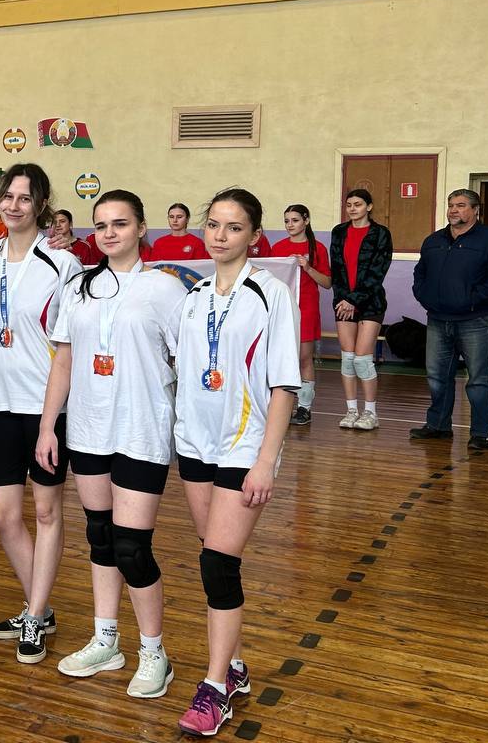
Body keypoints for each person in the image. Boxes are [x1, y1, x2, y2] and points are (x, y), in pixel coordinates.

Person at [36, 190, 187, 699]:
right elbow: (63, 360)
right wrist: (47, 426)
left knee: (132, 547)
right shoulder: (78, 287)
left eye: (120, 223)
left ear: (141, 227)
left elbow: (186, 359)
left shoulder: (165, 289)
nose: (109, 233)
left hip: (141, 430)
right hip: (88, 428)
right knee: (100, 537)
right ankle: (106, 640)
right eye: (100, 225)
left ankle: (154, 652)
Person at [172, 188, 300, 738]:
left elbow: (284, 384)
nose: (220, 235)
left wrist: (266, 461)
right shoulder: (194, 295)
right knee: (213, 559)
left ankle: (214, 687)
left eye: (234, 227)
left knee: (218, 566)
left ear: (254, 236)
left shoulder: (271, 293)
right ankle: (236, 666)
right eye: (214, 225)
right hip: (194, 445)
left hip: (244, 447)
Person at [0, 163, 80, 665]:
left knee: (46, 512)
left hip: (45, 409)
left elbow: (68, 347)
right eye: (7, 197)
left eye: (24, 198)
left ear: (40, 205)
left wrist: (49, 423)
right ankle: (40, 607)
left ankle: (35, 613)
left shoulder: (63, 264)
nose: (14, 205)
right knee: (3, 514)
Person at [410, 189, 488, 451]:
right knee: (437, 376)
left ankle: (481, 434)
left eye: (460, 205)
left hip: (476, 320)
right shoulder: (433, 240)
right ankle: (438, 426)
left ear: (475, 210)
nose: (453, 210)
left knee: (479, 379)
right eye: (451, 205)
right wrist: (425, 296)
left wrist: (472, 299)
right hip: (438, 319)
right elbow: (420, 274)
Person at [329, 189, 393, 431]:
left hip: (370, 302)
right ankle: (351, 411)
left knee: (362, 360)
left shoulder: (381, 233)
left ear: (369, 206)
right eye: (349, 205)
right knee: (347, 359)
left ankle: (371, 413)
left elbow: (378, 271)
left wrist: (354, 300)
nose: (352, 209)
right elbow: (337, 270)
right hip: (343, 302)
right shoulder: (339, 232)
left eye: (357, 204)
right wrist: (344, 300)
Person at [272, 205, 332, 424]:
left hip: (306, 307)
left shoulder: (318, 248)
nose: (290, 225)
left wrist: (307, 267)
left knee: (304, 358)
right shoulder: (278, 247)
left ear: (306, 221)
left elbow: (327, 282)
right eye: (287, 221)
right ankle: (281, 407)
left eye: (295, 220)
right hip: (283, 307)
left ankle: (304, 407)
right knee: (281, 358)